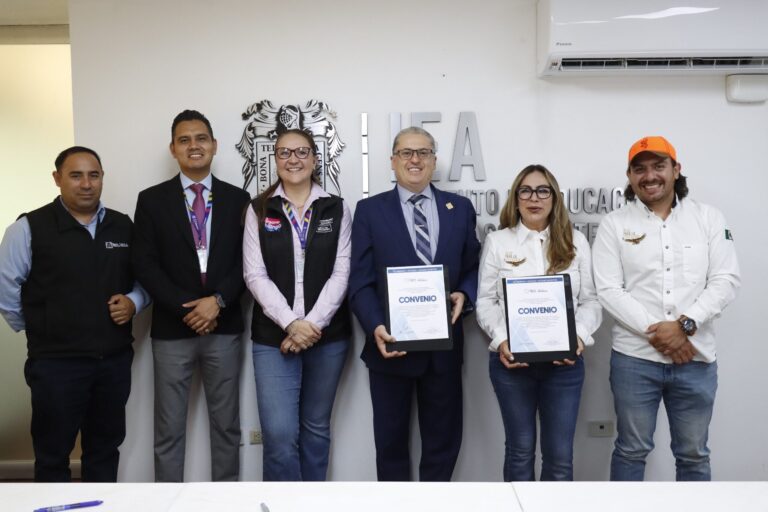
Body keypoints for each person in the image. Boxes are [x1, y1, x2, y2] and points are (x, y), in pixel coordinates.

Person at [592, 136, 740, 481]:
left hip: (696, 359)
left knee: (693, 455)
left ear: (676, 169)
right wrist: (663, 335)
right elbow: (609, 290)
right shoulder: (615, 224)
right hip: (634, 359)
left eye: (659, 166)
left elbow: (726, 280)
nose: (650, 176)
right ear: (629, 176)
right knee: (631, 450)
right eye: (639, 169)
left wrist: (685, 325)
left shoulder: (708, 218)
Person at [0, 146, 148, 482]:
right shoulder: (28, 228)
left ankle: (103, 505)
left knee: (105, 450)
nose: (86, 184)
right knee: (53, 455)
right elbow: (6, 290)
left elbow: (145, 278)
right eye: (76, 175)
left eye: (93, 175)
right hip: (56, 365)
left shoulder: (123, 226)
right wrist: (44, 326)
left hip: (112, 362)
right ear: (57, 179)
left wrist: (134, 302)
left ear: (102, 178)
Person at [348, 126, 480, 481]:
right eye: (406, 152)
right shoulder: (369, 211)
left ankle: (434, 505)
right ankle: (396, 506)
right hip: (390, 348)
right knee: (390, 446)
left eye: (423, 152)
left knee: (443, 445)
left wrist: (465, 294)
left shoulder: (460, 209)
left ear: (434, 161)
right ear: (393, 161)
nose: (415, 160)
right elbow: (360, 280)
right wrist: (376, 326)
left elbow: (473, 266)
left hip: (443, 351)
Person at [133, 110, 250, 482]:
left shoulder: (238, 198)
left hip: (224, 326)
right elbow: (145, 263)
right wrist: (187, 309)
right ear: (173, 149)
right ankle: (169, 502)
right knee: (168, 431)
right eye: (184, 140)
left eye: (201, 138)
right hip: (172, 330)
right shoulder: (151, 200)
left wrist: (218, 301)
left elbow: (247, 261)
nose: (193, 146)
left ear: (214, 145)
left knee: (227, 427)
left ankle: (225, 501)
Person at [475, 164, 602, 481]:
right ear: (516, 198)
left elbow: (591, 301)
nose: (534, 198)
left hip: (564, 366)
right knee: (519, 452)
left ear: (554, 198)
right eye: (526, 191)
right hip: (511, 364)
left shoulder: (576, 242)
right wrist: (503, 340)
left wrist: (577, 337)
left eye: (543, 190)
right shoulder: (498, 242)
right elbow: (486, 301)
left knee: (559, 458)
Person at [243, 129, 352, 481]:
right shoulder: (259, 209)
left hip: (328, 337)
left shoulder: (336, 207)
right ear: (275, 159)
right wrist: (292, 324)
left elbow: (341, 273)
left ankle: (313, 504)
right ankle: (281, 504)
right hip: (273, 338)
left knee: (316, 430)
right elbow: (254, 275)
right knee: (279, 435)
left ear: (315, 159)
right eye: (285, 153)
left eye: (302, 152)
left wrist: (311, 326)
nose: (293, 159)